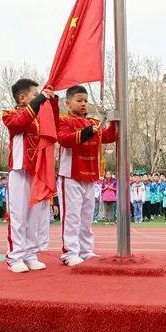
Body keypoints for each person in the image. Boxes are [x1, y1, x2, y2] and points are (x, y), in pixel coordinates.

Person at [57, 85, 117, 266]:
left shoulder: (92, 120)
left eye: (85, 101)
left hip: (91, 176)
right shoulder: (63, 120)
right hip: (71, 175)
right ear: (68, 103)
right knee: (72, 216)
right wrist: (86, 132)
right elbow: (64, 139)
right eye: (79, 100)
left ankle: (85, 250)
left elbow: (108, 136)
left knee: (86, 217)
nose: (83, 104)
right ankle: (70, 252)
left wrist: (113, 120)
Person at [2, 78, 55, 272]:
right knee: (18, 216)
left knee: (35, 217)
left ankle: (31, 254)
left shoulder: (39, 118)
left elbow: (53, 126)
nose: (39, 98)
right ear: (22, 98)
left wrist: (52, 100)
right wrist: (40, 100)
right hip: (19, 171)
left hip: (37, 172)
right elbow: (21, 122)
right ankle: (15, 257)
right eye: (35, 95)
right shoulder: (10, 115)